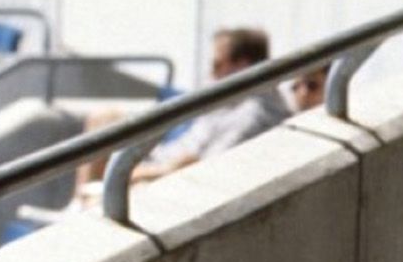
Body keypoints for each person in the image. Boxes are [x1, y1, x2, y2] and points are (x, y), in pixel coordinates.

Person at [73, 26, 289, 203]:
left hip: (174, 175)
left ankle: (84, 206)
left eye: (216, 65)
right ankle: (79, 203)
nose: (211, 73)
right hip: (164, 157)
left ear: (242, 66)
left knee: (101, 192)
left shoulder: (254, 115)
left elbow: (202, 166)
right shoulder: (231, 94)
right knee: (104, 119)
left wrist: (138, 173)